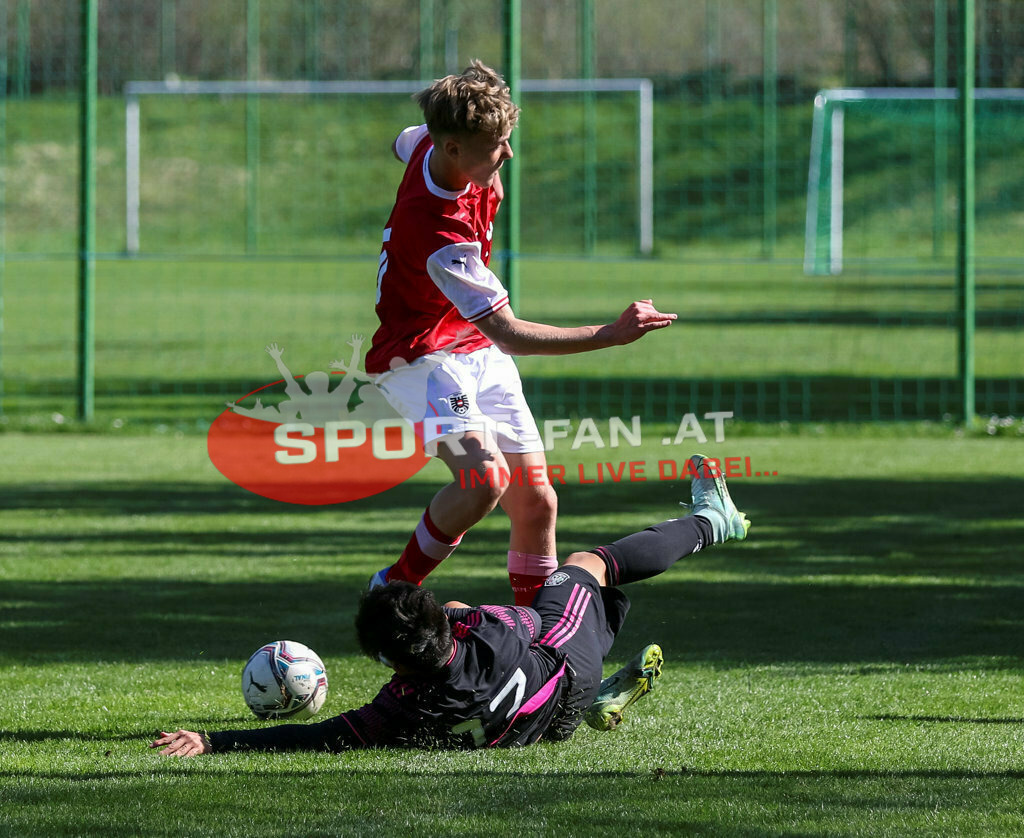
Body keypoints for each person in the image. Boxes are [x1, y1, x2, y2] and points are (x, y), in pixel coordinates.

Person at [151, 455, 749, 757]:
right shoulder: (487, 630)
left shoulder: (398, 711)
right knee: (587, 567)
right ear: (443, 622)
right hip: (562, 673)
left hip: (543, 731)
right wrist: (466, 612)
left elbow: (328, 734)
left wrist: (217, 740)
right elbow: (528, 624)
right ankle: (710, 522)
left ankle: (600, 697)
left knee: (556, 623)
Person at [364, 60, 677, 605]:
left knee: (537, 504)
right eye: (496, 146)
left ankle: (542, 640)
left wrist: (473, 91)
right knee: (482, 480)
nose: (507, 154)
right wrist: (609, 334)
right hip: (420, 358)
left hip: (470, 344)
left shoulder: (430, 144)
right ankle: (393, 588)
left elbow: (405, 138)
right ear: (454, 149)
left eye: (509, 140)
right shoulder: (441, 234)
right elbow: (509, 332)